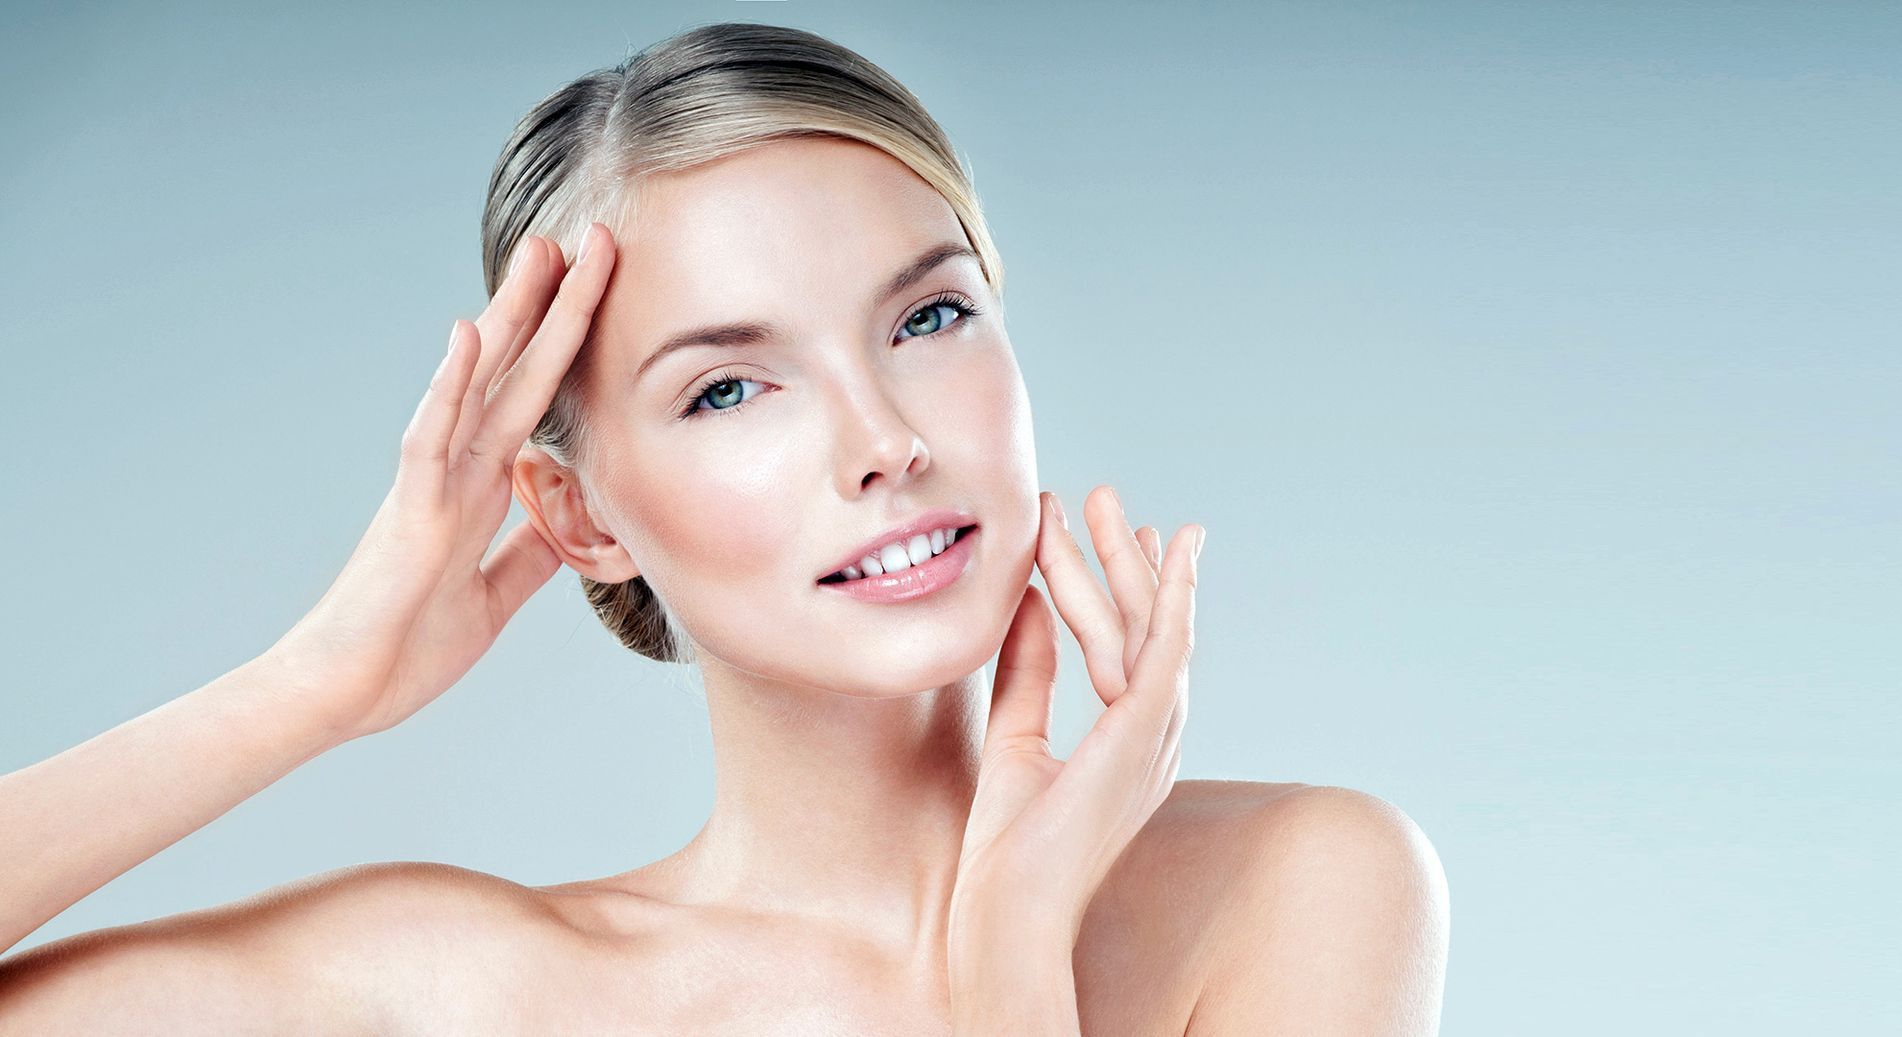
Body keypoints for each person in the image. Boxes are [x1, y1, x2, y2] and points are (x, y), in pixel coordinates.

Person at [0, 21, 1448, 1034]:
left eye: (929, 316)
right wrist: (312, 686)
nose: (884, 442)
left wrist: (1013, 958)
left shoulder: (1297, 884)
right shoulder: (453, 988)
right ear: (582, 516)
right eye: (729, 388)